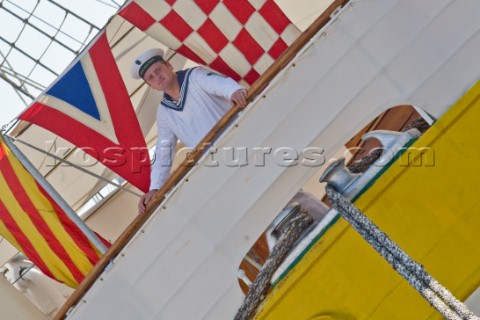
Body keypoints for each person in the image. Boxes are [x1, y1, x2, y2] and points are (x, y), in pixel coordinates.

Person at [131, 48, 248, 213]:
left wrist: (234, 91)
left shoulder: (195, 76)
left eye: (158, 70)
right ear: (150, 85)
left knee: (280, 190)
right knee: (249, 200)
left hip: (244, 143)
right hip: (219, 166)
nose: (157, 77)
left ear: (169, 66)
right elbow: (164, 150)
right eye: (151, 77)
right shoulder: (164, 113)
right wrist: (155, 188)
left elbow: (220, 83)